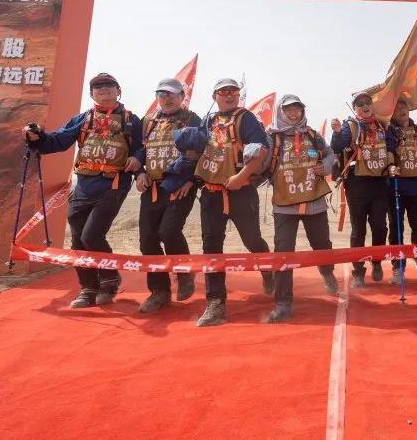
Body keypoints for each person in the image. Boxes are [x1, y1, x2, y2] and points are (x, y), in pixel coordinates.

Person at [22, 73, 143, 308]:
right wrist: (37, 137)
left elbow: (142, 147)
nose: (104, 89)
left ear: (118, 91)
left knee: (92, 236)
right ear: (91, 94)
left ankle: (109, 280)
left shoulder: (132, 120)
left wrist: (138, 158)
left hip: (113, 184)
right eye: (98, 87)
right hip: (83, 186)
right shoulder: (83, 119)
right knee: (78, 239)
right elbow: (57, 140)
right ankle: (88, 288)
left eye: (109, 85)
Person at [185, 78, 273, 327]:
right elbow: (197, 152)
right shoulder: (208, 121)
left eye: (233, 91)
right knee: (211, 247)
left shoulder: (246, 118)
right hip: (211, 193)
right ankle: (215, 302)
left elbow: (260, 152)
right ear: (214, 96)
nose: (229, 95)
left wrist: (240, 178)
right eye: (223, 92)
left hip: (240, 191)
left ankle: (268, 270)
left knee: (252, 240)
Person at [264, 95, 339, 322]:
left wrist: (325, 166)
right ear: (281, 112)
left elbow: (329, 154)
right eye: (288, 110)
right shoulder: (272, 137)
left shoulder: (312, 135)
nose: (293, 113)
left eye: (297, 109)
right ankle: (283, 303)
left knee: (322, 245)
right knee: (283, 252)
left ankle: (327, 272)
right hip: (284, 203)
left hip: (314, 200)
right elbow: (260, 162)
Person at [135, 78, 202, 314]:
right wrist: (139, 173)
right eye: (162, 95)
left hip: (179, 187)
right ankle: (159, 292)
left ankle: (184, 273)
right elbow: (139, 151)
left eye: (172, 94)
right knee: (147, 239)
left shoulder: (193, 119)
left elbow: (204, 151)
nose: (167, 99)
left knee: (169, 232)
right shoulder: (148, 121)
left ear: (182, 96)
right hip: (152, 188)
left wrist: (192, 180)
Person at [331, 92, 390, 288]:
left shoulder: (382, 125)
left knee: (380, 227)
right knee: (359, 229)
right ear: (355, 108)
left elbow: (391, 146)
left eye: (367, 102)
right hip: (357, 184)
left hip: (380, 182)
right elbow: (337, 145)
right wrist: (337, 132)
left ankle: (377, 262)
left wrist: (392, 163)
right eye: (360, 103)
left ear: (372, 105)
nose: (365, 106)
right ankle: (358, 272)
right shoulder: (351, 126)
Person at [386, 99, 417, 285]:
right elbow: (388, 151)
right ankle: (398, 267)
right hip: (397, 187)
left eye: (404, 107)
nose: (402, 110)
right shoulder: (390, 131)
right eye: (397, 108)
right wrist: (391, 164)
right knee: (396, 228)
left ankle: (416, 251)